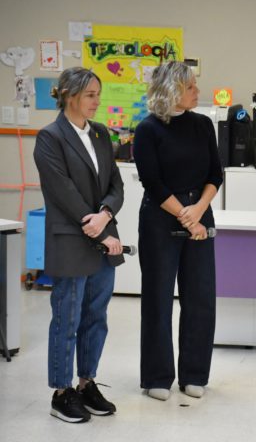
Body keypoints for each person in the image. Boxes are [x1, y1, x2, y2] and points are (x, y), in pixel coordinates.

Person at [33, 67, 124, 422]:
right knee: (67, 319)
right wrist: (99, 227)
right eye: (90, 95)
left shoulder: (101, 134)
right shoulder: (50, 137)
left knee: (95, 318)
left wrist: (105, 212)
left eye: (98, 94)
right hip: (73, 241)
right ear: (70, 95)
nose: (96, 101)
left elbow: (116, 185)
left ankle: (86, 383)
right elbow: (64, 194)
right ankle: (61, 391)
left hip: (102, 238)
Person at [133, 61, 222, 401]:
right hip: (160, 215)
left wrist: (198, 211)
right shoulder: (148, 130)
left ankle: (194, 374)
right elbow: (152, 183)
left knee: (200, 298)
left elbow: (216, 173)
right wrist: (187, 217)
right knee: (157, 298)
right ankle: (157, 377)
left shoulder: (202, 125)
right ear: (171, 90)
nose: (197, 92)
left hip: (199, 210)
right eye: (191, 88)